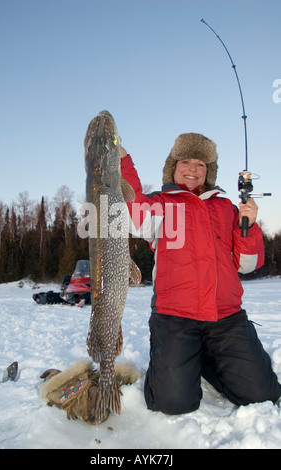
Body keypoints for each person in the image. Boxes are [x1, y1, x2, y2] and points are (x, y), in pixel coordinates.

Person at [119, 132, 281, 415]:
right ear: (173, 166)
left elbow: (248, 265)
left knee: (263, 395)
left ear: (209, 171)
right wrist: (121, 159)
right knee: (172, 403)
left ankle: (205, 358)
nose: (193, 168)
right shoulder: (161, 205)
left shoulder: (227, 208)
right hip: (175, 318)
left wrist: (249, 226)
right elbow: (134, 214)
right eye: (186, 161)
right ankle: (184, 359)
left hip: (227, 316)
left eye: (201, 163)